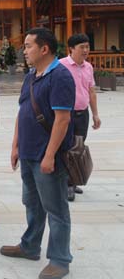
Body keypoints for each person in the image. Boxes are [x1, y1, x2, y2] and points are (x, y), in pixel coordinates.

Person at [0, 28, 75, 279]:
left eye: (28, 46)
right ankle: (30, 246)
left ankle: (60, 260)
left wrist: (50, 155)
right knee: (32, 203)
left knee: (56, 209)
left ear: (44, 49)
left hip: (47, 156)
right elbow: (23, 111)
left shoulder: (60, 76)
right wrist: (15, 145)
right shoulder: (31, 76)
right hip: (28, 152)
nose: (24, 51)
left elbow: (63, 120)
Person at [59, 33, 101, 201]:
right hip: (66, 114)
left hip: (82, 114)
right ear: (71, 48)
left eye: (87, 47)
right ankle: (66, 183)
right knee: (66, 148)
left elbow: (91, 91)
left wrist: (95, 114)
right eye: (82, 47)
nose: (85, 50)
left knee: (78, 148)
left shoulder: (88, 67)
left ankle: (73, 180)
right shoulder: (61, 66)